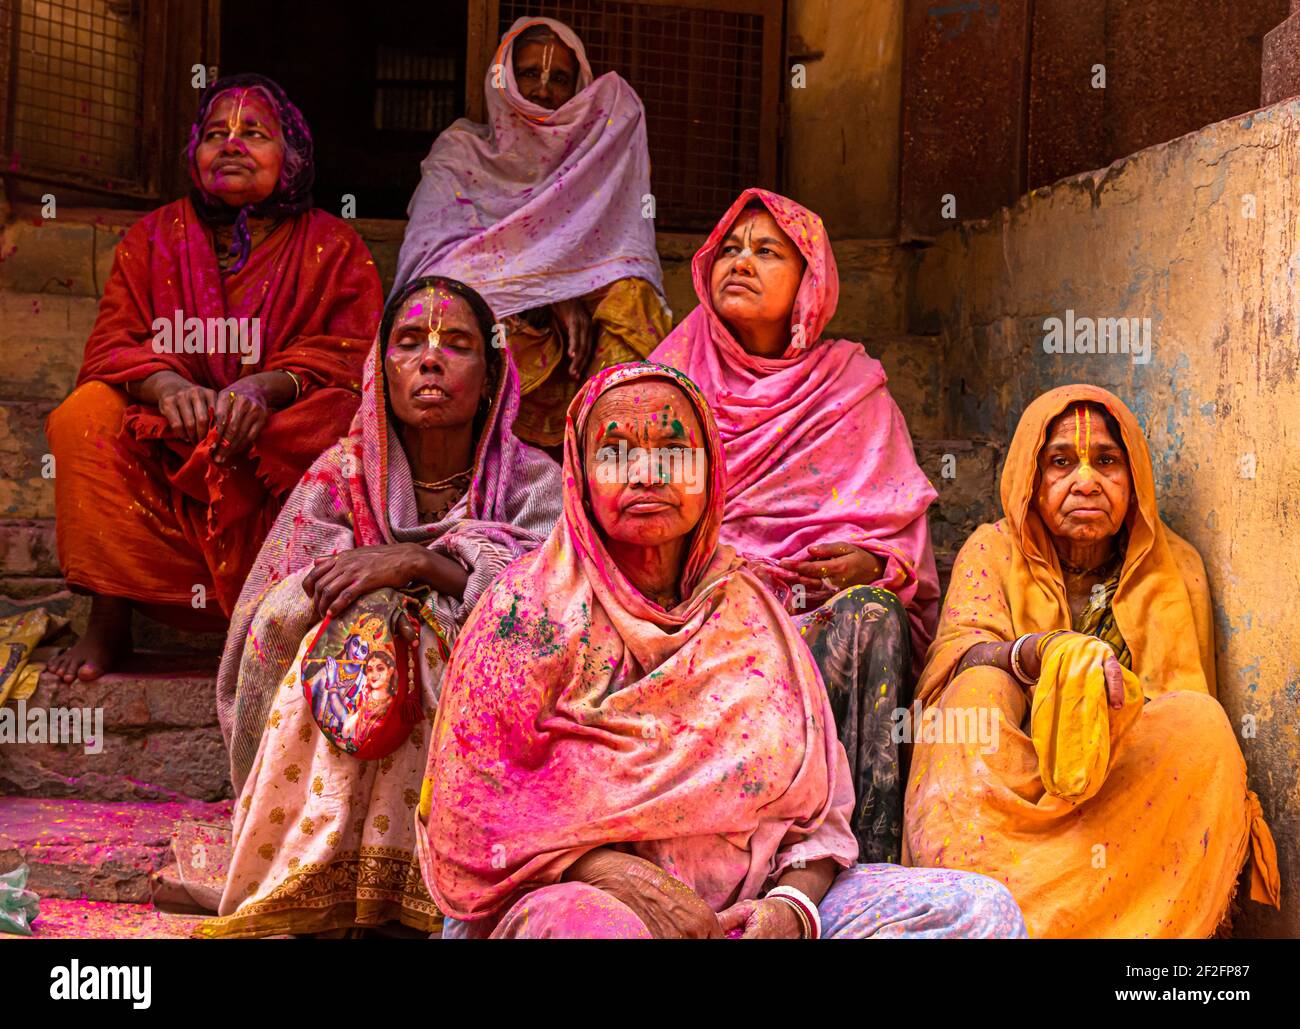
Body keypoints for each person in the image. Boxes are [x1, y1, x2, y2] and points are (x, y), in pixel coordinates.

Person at [415, 362, 1026, 939]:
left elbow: (821, 822)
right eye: (615, 451)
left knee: (977, 911)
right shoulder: (524, 615)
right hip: (585, 903)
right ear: (578, 471)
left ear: (710, 471)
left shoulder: (751, 613)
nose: (646, 473)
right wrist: (620, 878)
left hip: (751, 905)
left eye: (675, 452)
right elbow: (469, 821)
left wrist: (791, 910)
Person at [198, 276, 561, 937]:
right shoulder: (339, 476)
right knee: (361, 630)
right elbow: (267, 615)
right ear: (381, 372)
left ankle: (434, 886)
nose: (430, 359)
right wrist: (371, 596)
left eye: (457, 344)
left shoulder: (534, 483)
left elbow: (556, 612)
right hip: (350, 718)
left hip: (491, 731)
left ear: (490, 377)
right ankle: (328, 879)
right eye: (408, 343)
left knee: (421, 634)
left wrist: (418, 566)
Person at [903, 384, 1281, 937]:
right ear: (1031, 480)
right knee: (975, 694)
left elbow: (1175, 719)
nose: (1086, 481)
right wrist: (1039, 654)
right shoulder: (992, 549)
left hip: (1120, 792)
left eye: (1107, 461)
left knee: (1203, 726)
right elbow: (954, 659)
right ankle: (982, 916)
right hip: (1011, 786)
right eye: (1061, 462)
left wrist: (1098, 707)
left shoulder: (1177, 570)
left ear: (1134, 479)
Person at [45, 74, 382, 682]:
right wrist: (166, 387)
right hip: (174, 435)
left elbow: (356, 356)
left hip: (269, 443)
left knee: (341, 420)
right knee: (84, 414)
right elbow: (111, 346)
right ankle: (109, 614)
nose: (230, 143)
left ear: (294, 157)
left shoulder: (336, 245)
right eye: (214, 134)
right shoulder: (151, 238)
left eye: (254, 132)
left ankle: (290, 605)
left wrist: (266, 388)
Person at [651, 189, 939, 861]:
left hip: (812, 625)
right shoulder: (668, 376)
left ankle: (864, 860)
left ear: (810, 281)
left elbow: (898, 536)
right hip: (698, 619)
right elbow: (623, 515)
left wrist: (871, 565)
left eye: (766, 251)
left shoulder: (849, 385)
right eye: (728, 248)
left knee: (871, 616)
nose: (740, 262)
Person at [392, 17, 669, 451]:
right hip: (501, 328)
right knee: (447, 312)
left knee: (632, 298)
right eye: (528, 73)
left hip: (579, 351)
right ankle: (476, 464)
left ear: (579, 89)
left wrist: (569, 290)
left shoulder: (593, 160)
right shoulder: (462, 152)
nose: (542, 89)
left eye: (559, 78)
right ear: (502, 78)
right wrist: (546, 296)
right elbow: (433, 274)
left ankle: (609, 452)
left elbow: (623, 255)